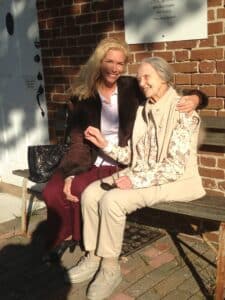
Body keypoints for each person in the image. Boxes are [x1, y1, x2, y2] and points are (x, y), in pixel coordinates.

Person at [42, 38, 207, 263]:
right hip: (104, 163)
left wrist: (198, 97)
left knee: (95, 194)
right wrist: (80, 164)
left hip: (141, 170)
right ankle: (77, 245)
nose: (115, 68)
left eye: (120, 63)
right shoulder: (97, 100)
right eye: (109, 61)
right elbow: (85, 144)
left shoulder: (138, 91)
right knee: (66, 191)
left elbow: (167, 92)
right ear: (98, 63)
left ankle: (95, 253)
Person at [66, 56, 206, 300]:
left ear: (164, 78)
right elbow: (132, 155)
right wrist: (104, 144)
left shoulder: (183, 111)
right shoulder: (144, 111)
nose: (141, 82)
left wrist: (134, 182)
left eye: (147, 77)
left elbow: (175, 167)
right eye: (139, 77)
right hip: (143, 172)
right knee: (90, 193)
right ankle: (93, 256)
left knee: (113, 201)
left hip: (175, 181)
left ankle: (110, 268)